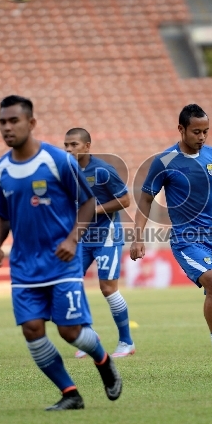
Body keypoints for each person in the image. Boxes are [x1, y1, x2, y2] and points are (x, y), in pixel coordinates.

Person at [0, 96, 122, 411]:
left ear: (31, 123)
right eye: (2, 122)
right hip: (23, 265)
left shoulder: (58, 161)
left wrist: (73, 240)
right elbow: (1, 216)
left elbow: (87, 202)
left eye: (14, 121)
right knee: (32, 330)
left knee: (70, 331)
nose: (7, 128)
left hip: (62, 261)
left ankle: (103, 361)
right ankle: (70, 393)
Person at [130, 103, 212, 378]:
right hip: (186, 238)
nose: (202, 137)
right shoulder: (165, 161)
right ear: (181, 129)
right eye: (196, 131)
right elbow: (145, 199)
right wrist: (138, 238)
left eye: (206, 131)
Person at [63, 128, 135, 358]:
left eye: (73, 144)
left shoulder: (102, 170)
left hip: (106, 236)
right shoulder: (66, 172)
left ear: (87, 146)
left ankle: (126, 342)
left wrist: (93, 210)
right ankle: (88, 335)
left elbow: (125, 199)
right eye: (66, 145)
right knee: (69, 284)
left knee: (107, 289)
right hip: (80, 237)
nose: (68, 149)